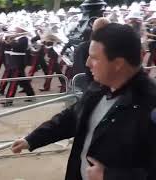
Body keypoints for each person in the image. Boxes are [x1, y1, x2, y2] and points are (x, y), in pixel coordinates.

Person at [11, 23, 156, 180]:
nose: (87, 63)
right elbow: (72, 117)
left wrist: (109, 176)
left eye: (94, 58)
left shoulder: (150, 105)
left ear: (118, 63)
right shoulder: (99, 86)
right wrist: (32, 139)